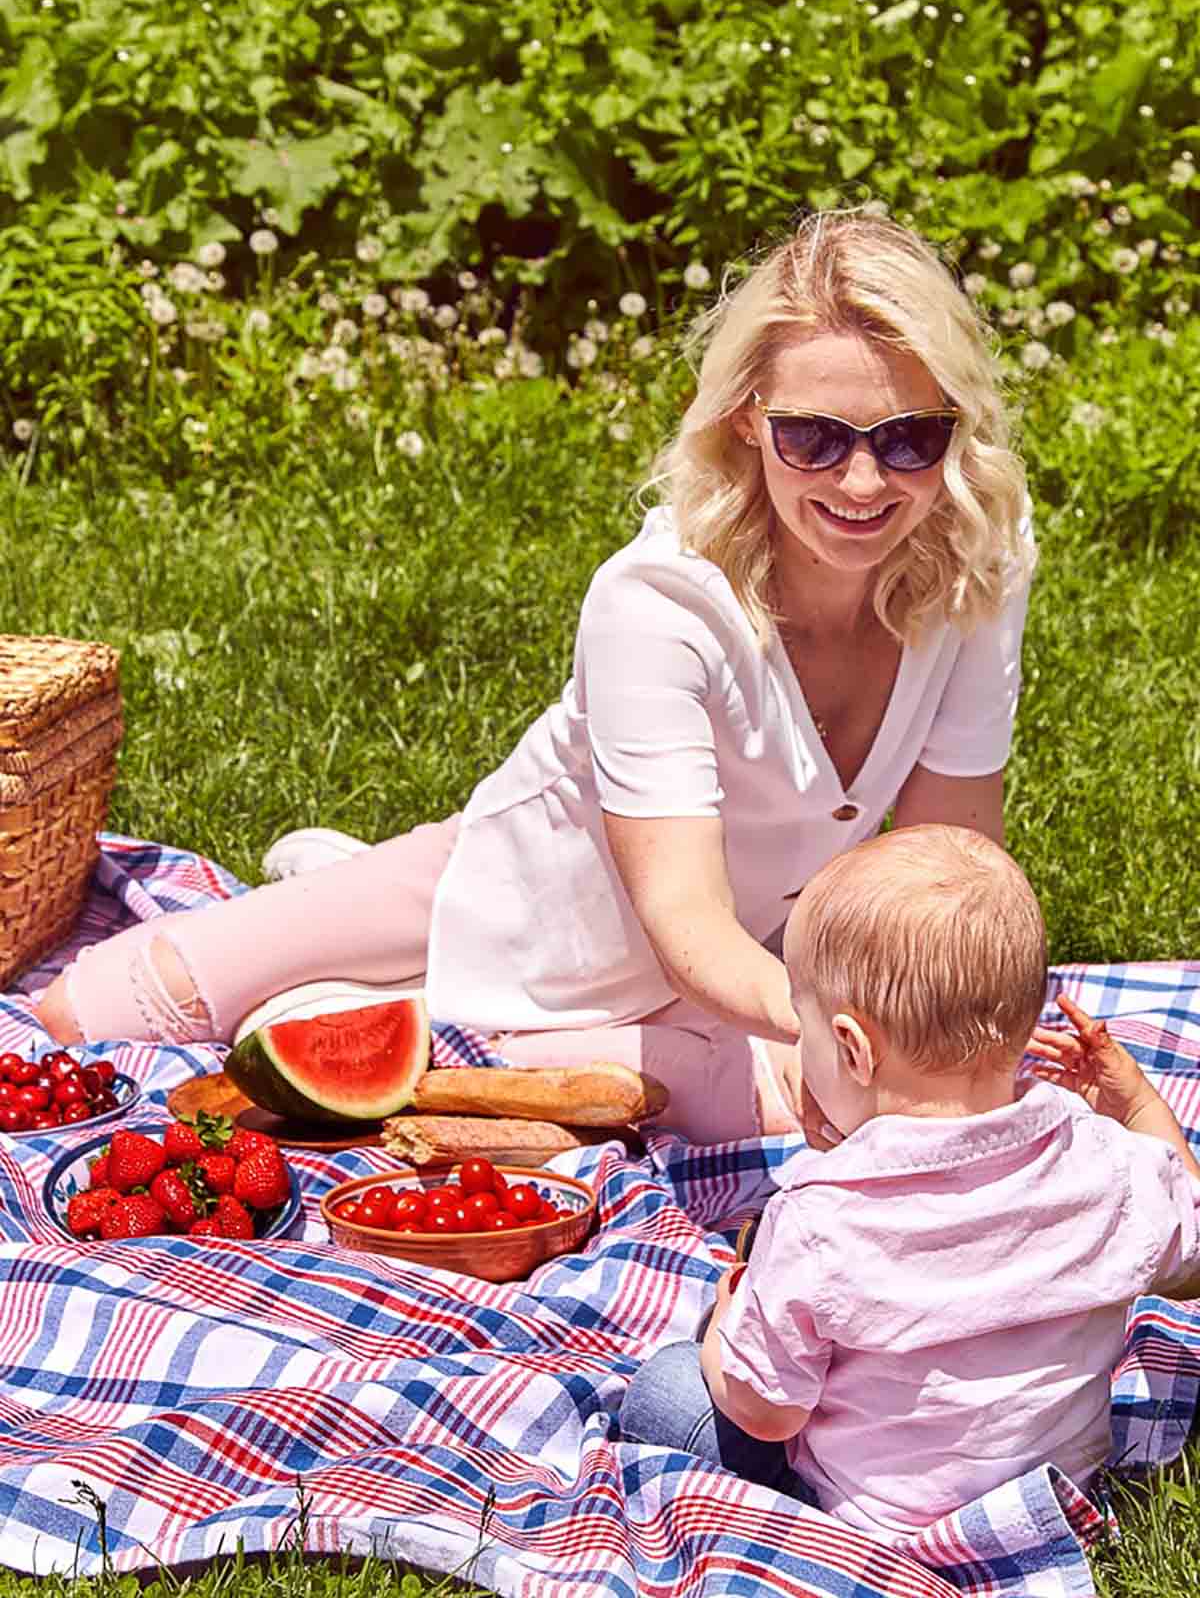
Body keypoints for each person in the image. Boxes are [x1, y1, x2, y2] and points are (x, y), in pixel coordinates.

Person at [35, 210, 1035, 1143]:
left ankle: (421, 1001)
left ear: (954, 432)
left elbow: (952, 854)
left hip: (726, 976)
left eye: (909, 440)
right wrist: (838, 1030)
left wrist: (958, 1022)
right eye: (813, 438)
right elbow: (682, 917)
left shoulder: (980, 560)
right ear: (743, 420)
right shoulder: (659, 602)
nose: (863, 484)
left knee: (837, 1107)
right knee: (85, 1012)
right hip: (522, 892)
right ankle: (359, 928)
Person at [618, 826, 1200, 1543]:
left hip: (872, 1527)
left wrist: (727, 1322)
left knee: (672, 1392)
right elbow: (1194, 1256)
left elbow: (766, 1412)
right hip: (1054, 1499)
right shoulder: (1101, 1161)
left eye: (802, 1029)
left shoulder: (820, 1216)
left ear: (854, 1050)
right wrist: (1139, 1106)